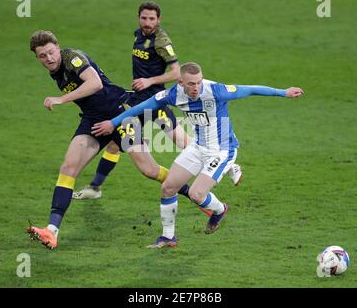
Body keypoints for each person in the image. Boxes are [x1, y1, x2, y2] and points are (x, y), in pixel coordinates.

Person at [91, 62, 304, 248]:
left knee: (196, 194)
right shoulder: (173, 94)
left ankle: (220, 210)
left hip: (221, 150)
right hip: (197, 147)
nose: (196, 87)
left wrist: (283, 92)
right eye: (191, 83)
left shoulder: (216, 91)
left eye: (198, 82)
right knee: (168, 187)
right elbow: (141, 107)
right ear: (181, 82)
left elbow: (249, 90)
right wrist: (113, 122)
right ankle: (168, 238)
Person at [26, 30, 189, 249]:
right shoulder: (55, 71)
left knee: (149, 170)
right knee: (68, 168)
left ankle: (197, 195)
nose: (49, 58)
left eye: (51, 52)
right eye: (43, 56)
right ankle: (52, 231)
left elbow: (95, 84)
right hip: (93, 120)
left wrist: (61, 99)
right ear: (37, 58)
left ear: (58, 47)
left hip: (119, 113)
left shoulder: (73, 58)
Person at [73, 1, 242, 201]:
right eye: (144, 18)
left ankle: (226, 165)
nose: (147, 22)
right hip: (140, 100)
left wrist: (148, 80)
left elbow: (177, 72)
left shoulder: (161, 42)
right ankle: (95, 187)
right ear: (138, 17)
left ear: (158, 20)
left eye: (151, 19)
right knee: (115, 143)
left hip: (155, 101)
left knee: (181, 143)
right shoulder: (138, 36)